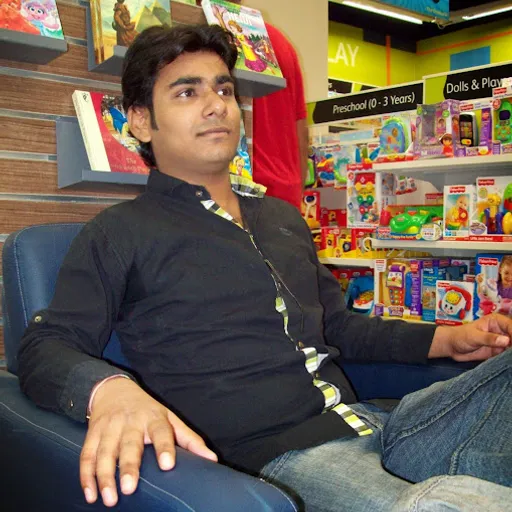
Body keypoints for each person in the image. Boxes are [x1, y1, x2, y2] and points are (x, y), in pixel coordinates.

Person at [18, 24, 512, 511]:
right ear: (142, 122)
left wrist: (449, 338)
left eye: (224, 90)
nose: (216, 105)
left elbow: (338, 327)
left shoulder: (280, 217)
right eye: (187, 92)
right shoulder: (119, 231)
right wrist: (109, 392)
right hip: (283, 457)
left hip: (378, 424)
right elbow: (45, 345)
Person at [252, 23, 309, 209]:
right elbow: (301, 131)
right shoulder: (278, 40)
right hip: (286, 198)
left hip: (241, 195)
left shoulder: (213, 32)